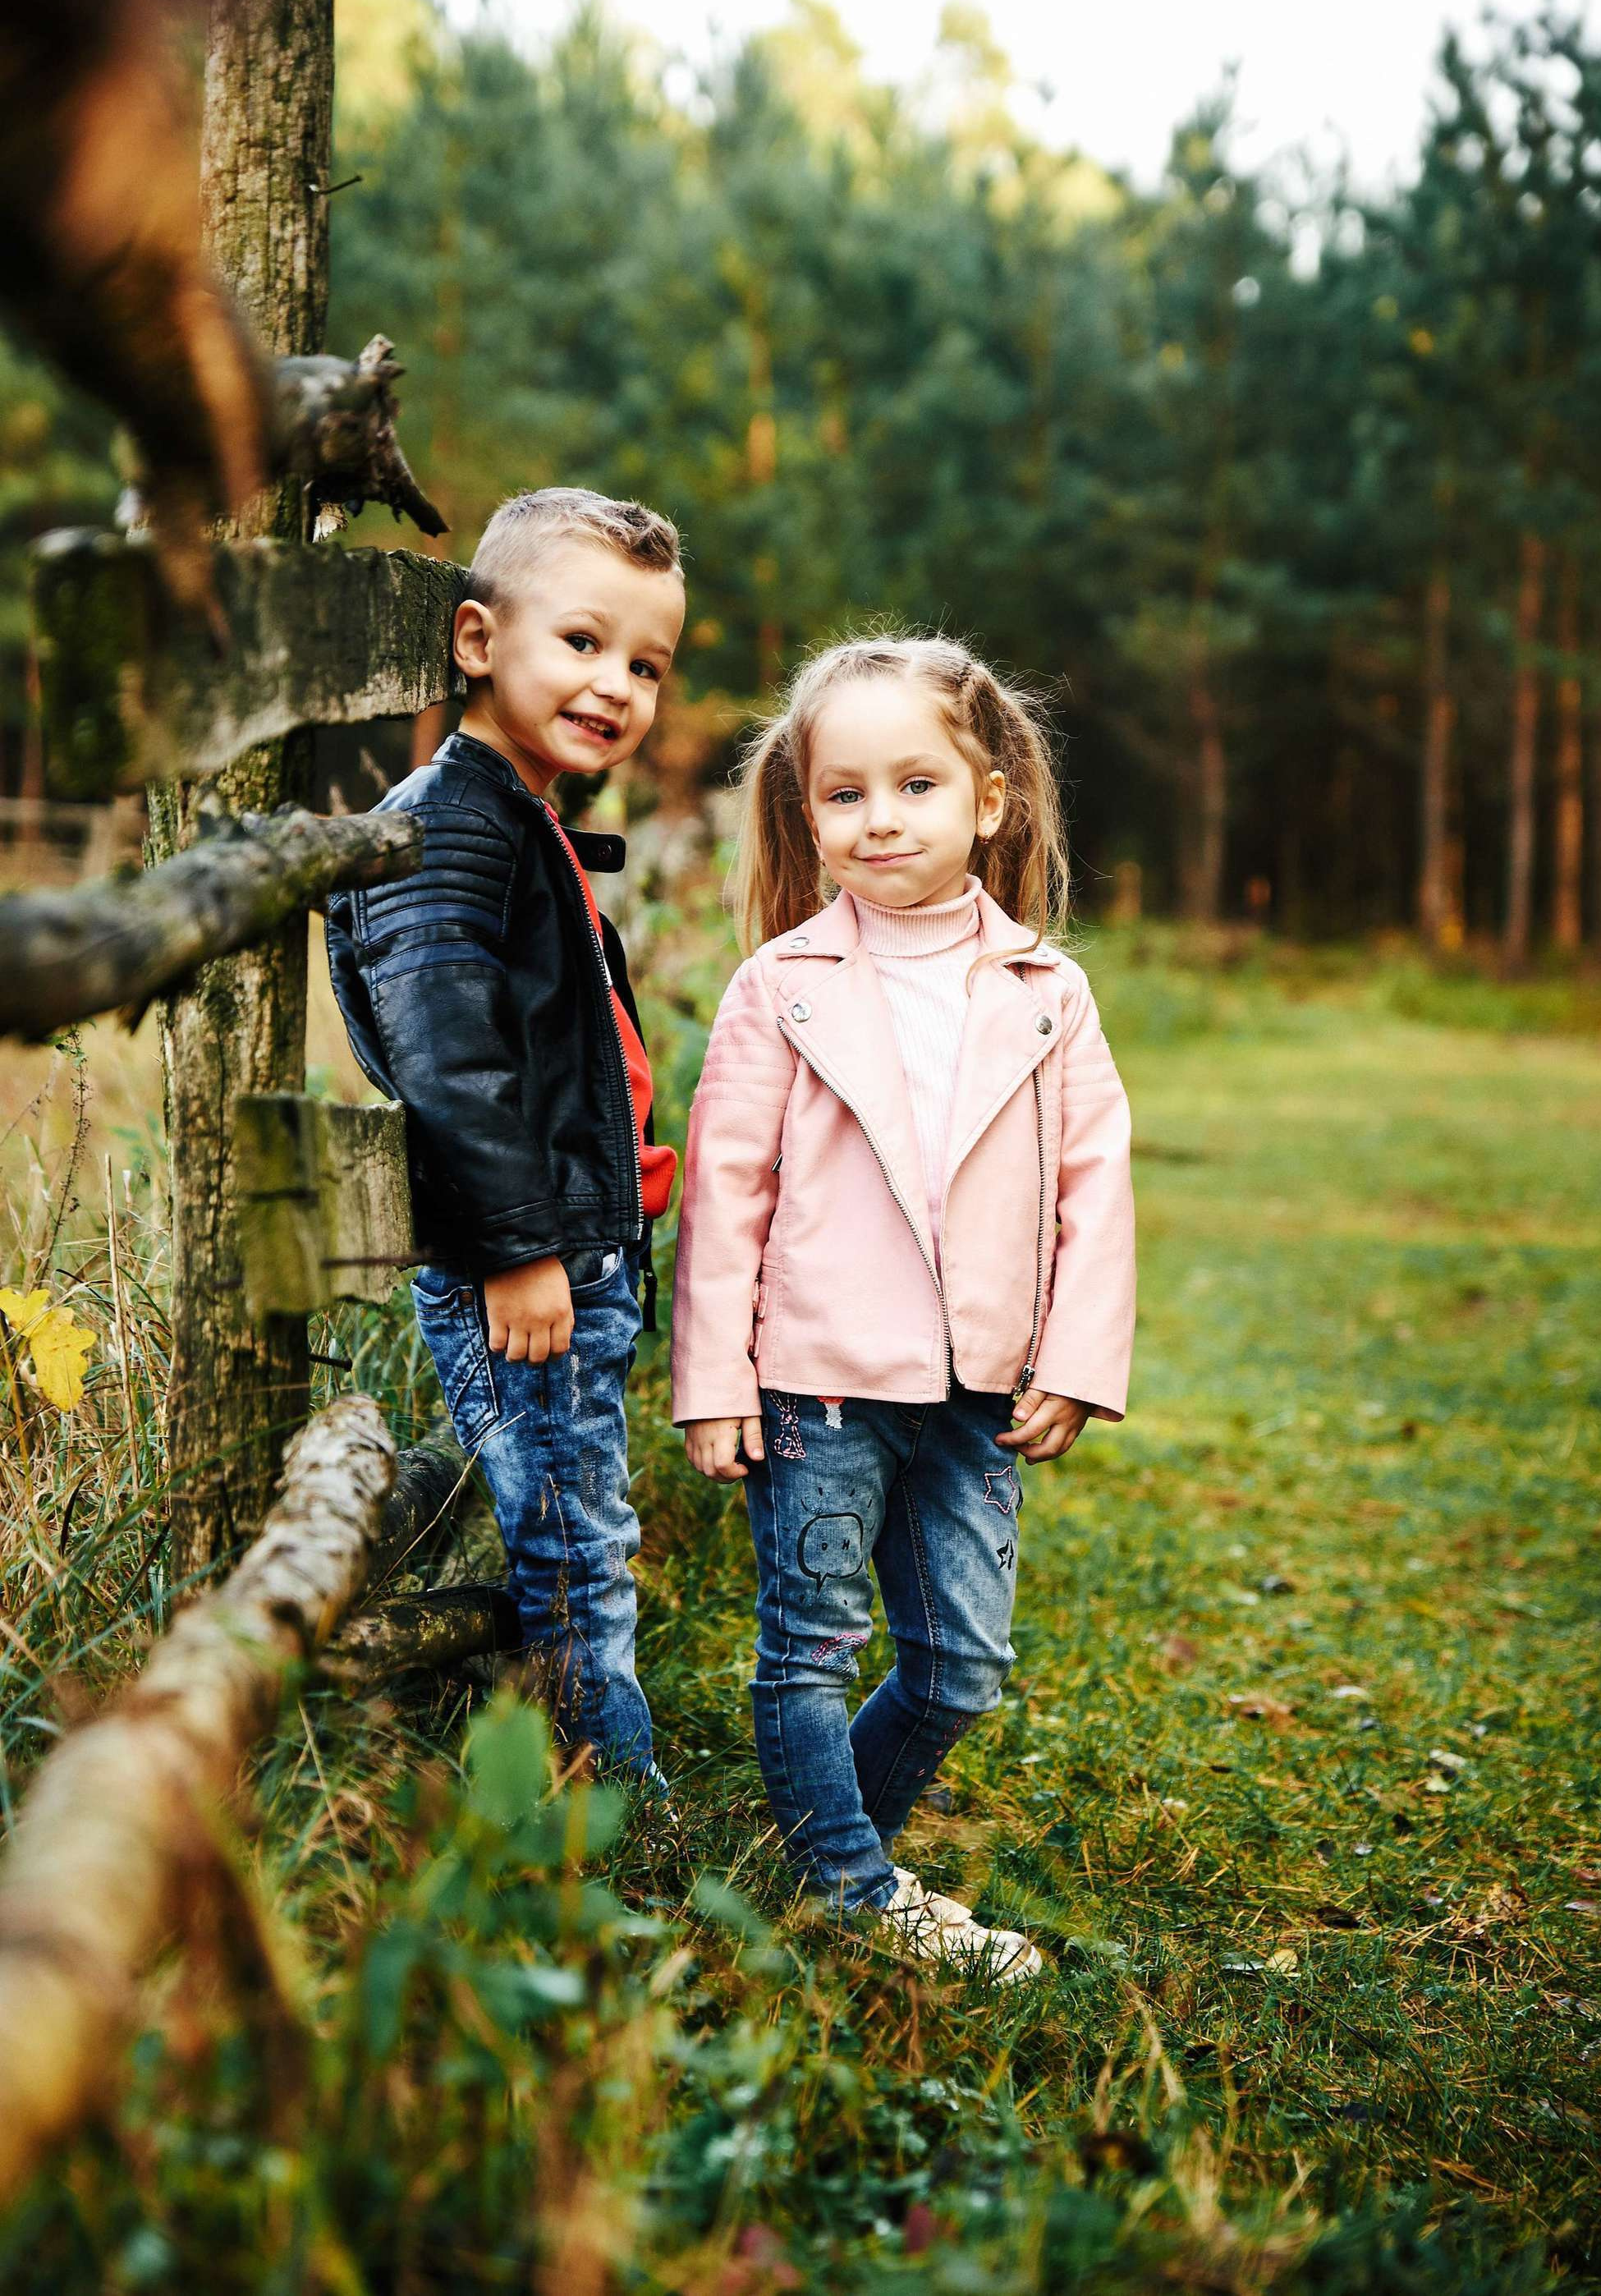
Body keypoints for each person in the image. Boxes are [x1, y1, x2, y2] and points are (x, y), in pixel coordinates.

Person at [672, 634, 1135, 1977]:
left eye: (916, 785)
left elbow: (1093, 1190)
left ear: (987, 802)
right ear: (806, 814)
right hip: (817, 1381)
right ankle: (852, 1887)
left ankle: (818, 1856)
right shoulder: (784, 988)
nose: (881, 819)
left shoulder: (1050, 989)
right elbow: (727, 1194)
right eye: (845, 794)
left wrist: (1078, 1357)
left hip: (980, 1386)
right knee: (809, 1648)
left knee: (960, 1666)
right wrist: (712, 1379)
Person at [328, 486, 686, 1786]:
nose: (616, 686)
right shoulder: (447, 824)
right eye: (582, 644)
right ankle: (615, 1808)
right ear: (477, 641)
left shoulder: (518, 812)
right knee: (575, 1542)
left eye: (645, 663)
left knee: (582, 1519)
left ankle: (578, 1771)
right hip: (524, 1275)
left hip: (573, 1262)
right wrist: (521, 1249)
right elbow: (450, 1058)